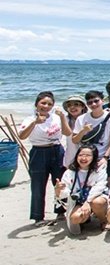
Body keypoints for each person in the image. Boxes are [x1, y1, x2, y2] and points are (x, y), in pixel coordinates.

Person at [19, 91, 71, 225]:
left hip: (57, 150)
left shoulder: (56, 117)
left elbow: (67, 132)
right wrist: (35, 123)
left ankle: (60, 212)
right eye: (43, 103)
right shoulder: (30, 119)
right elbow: (22, 136)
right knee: (38, 185)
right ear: (36, 104)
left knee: (59, 183)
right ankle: (38, 217)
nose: (46, 106)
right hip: (38, 152)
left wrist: (63, 117)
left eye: (49, 104)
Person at [55, 144, 109, 232]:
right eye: (80, 155)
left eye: (88, 155)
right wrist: (58, 191)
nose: (83, 158)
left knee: (97, 203)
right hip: (79, 201)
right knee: (75, 218)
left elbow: (99, 188)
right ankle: (85, 219)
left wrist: (88, 202)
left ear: (94, 157)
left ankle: (104, 220)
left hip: (95, 198)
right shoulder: (70, 172)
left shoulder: (99, 170)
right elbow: (66, 193)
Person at [71, 90, 110, 172]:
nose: (93, 104)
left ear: (103, 100)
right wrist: (83, 131)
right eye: (90, 102)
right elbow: (74, 140)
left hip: (104, 157)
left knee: (107, 181)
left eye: (96, 101)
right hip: (86, 158)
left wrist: (105, 158)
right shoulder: (81, 118)